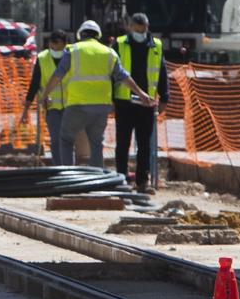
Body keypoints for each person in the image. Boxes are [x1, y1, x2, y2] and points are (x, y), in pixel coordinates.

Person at [44, 19, 154, 169]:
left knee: (66, 138)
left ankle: (67, 175)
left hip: (77, 105)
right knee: (96, 143)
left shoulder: (73, 50)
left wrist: (45, 94)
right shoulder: (109, 52)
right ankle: (97, 179)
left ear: (80, 35)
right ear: (98, 35)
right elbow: (123, 77)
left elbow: (58, 75)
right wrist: (141, 93)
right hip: (101, 107)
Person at [113, 12, 165, 192]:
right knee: (123, 143)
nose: (140, 33)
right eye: (137, 29)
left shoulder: (156, 46)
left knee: (144, 144)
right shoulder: (119, 44)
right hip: (124, 102)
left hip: (146, 104)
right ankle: (121, 178)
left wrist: (164, 96)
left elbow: (162, 72)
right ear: (130, 27)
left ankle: (142, 180)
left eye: (143, 30)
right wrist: (110, 98)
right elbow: (111, 73)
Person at [20, 30, 72, 165]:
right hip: (51, 107)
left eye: (59, 46)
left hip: (71, 106)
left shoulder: (72, 57)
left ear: (65, 44)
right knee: (55, 140)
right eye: (53, 45)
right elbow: (35, 84)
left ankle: (70, 169)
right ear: (49, 44)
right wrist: (26, 109)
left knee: (67, 140)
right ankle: (58, 168)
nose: (55, 49)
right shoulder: (42, 58)